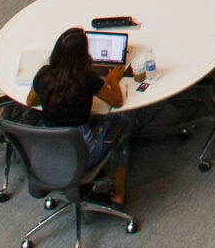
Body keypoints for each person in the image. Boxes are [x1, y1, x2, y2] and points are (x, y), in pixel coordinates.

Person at [29, 25, 136, 202]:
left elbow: (30, 101)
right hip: (82, 151)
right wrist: (113, 81)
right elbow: (117, 102)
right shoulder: (87, 77)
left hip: (48, 149)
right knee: (122, 122)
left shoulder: (44, 74)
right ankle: (118, 193)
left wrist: (53, 94)